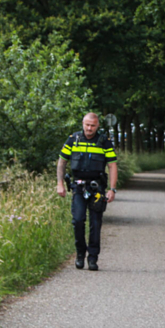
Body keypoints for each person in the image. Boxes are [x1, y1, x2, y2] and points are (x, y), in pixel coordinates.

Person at [56, 113, 118, 270]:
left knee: (95, 224)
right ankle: (80, 253)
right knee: (77, 220)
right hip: (78, 187)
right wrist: (60, 183)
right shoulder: (73, 139)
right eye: (87, 125)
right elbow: (62, 161)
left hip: (97, 188)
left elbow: (112, 165)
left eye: (93, 126)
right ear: (82, 123)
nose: (89, 128)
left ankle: (92, 258)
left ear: (98, 126)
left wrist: (112, 189)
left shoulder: (104, 142)